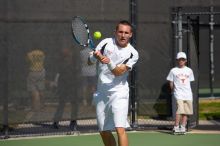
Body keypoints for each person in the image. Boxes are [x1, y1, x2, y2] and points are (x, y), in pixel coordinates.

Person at [88, 20, 139, 146]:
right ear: (115, 32)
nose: (123, 35)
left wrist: (108, 62)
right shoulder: (106, 43)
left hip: (119, 93)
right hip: (102, 92)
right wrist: (95, 57)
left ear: (130, 35)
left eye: (126, 33)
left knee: (119, 128)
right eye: (120, 32)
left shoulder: (133, 54)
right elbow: (90, 62)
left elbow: (118, 72)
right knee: (103, 131)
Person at [51, 48, 79, 130]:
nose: (67, 52)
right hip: (63, 85)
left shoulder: (75, 62)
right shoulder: (61, 63)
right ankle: (56, 122)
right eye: (65, 51)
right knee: (61, 103)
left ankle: (73, 122)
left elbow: (77, 72)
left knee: (74, 103)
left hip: (73, 85)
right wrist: (56, 84)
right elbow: (58, 73)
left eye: (69, 50)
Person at [166, 52, 195, 134]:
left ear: (185, 60)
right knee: (180, 109)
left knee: (186, 111)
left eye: (183, 59)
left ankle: (183, 126)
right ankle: (176, 126)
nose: (181, 61)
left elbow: (189, 82)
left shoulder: (189, 70)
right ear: (177, 60)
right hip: (178, 93)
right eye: (179, 59)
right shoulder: (173, 70)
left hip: (188, 94)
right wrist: (173, 90)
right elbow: (171, 82)